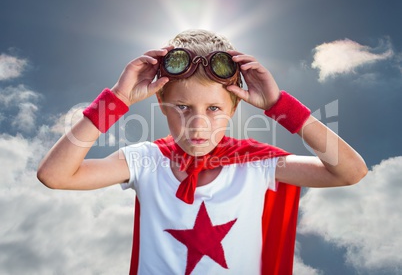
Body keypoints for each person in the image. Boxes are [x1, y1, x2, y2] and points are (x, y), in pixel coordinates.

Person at [37, 29, 368, 275]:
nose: (197, 124)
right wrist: (117, 101)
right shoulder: (145, 160)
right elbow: (55, 176)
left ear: (235, 108)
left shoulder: (258, 165)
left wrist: (281, 107)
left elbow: (350, 171)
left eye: (213, 108)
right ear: (161, 105)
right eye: (182, 106)